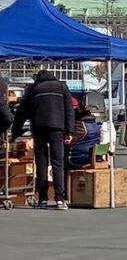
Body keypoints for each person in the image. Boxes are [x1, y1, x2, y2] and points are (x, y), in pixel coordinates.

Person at [11, 70, 73, 210]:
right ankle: (59, 199)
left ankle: (43, 198)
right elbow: (69, 110)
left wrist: (15, 132)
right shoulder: (61, 87)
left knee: (42, 163)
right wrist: (69, 131)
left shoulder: (33, 88)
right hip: (57, 128)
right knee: (58, 162)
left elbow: (22, 112)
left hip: (38, 128)